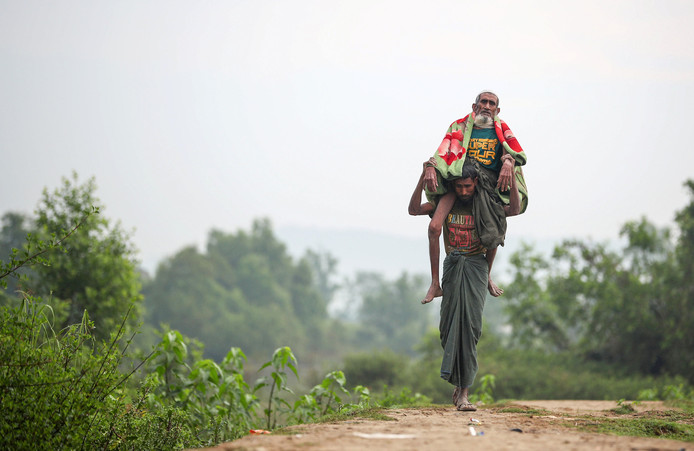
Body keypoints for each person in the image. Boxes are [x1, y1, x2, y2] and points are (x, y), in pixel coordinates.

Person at [408, 162, 520, 411]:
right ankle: (456, 384)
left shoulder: (486, 204)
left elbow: (514, 208)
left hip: (476, 267)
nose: (463, 191)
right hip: (453, 264)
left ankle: (464, 394)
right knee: (448, 328)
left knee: (470, 328)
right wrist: (421, 175)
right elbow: (414, 209)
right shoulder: (446, 203)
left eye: (467, 186)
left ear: (476, 183)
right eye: (458, 186)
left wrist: (510, 174)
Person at [413, 91, 528, 304]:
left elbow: (515, 155)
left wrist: (508, 163)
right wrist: (429, 167)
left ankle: (487, 274)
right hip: (459, 179)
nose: (486, 106)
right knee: (434, 227)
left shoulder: (501, 132)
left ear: (497, 110)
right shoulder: (459, 127)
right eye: (482, 102)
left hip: (486, 186)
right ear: (474, 107)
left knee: (493, 225)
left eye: (491, 103)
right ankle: (435, 283)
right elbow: (442, 154)